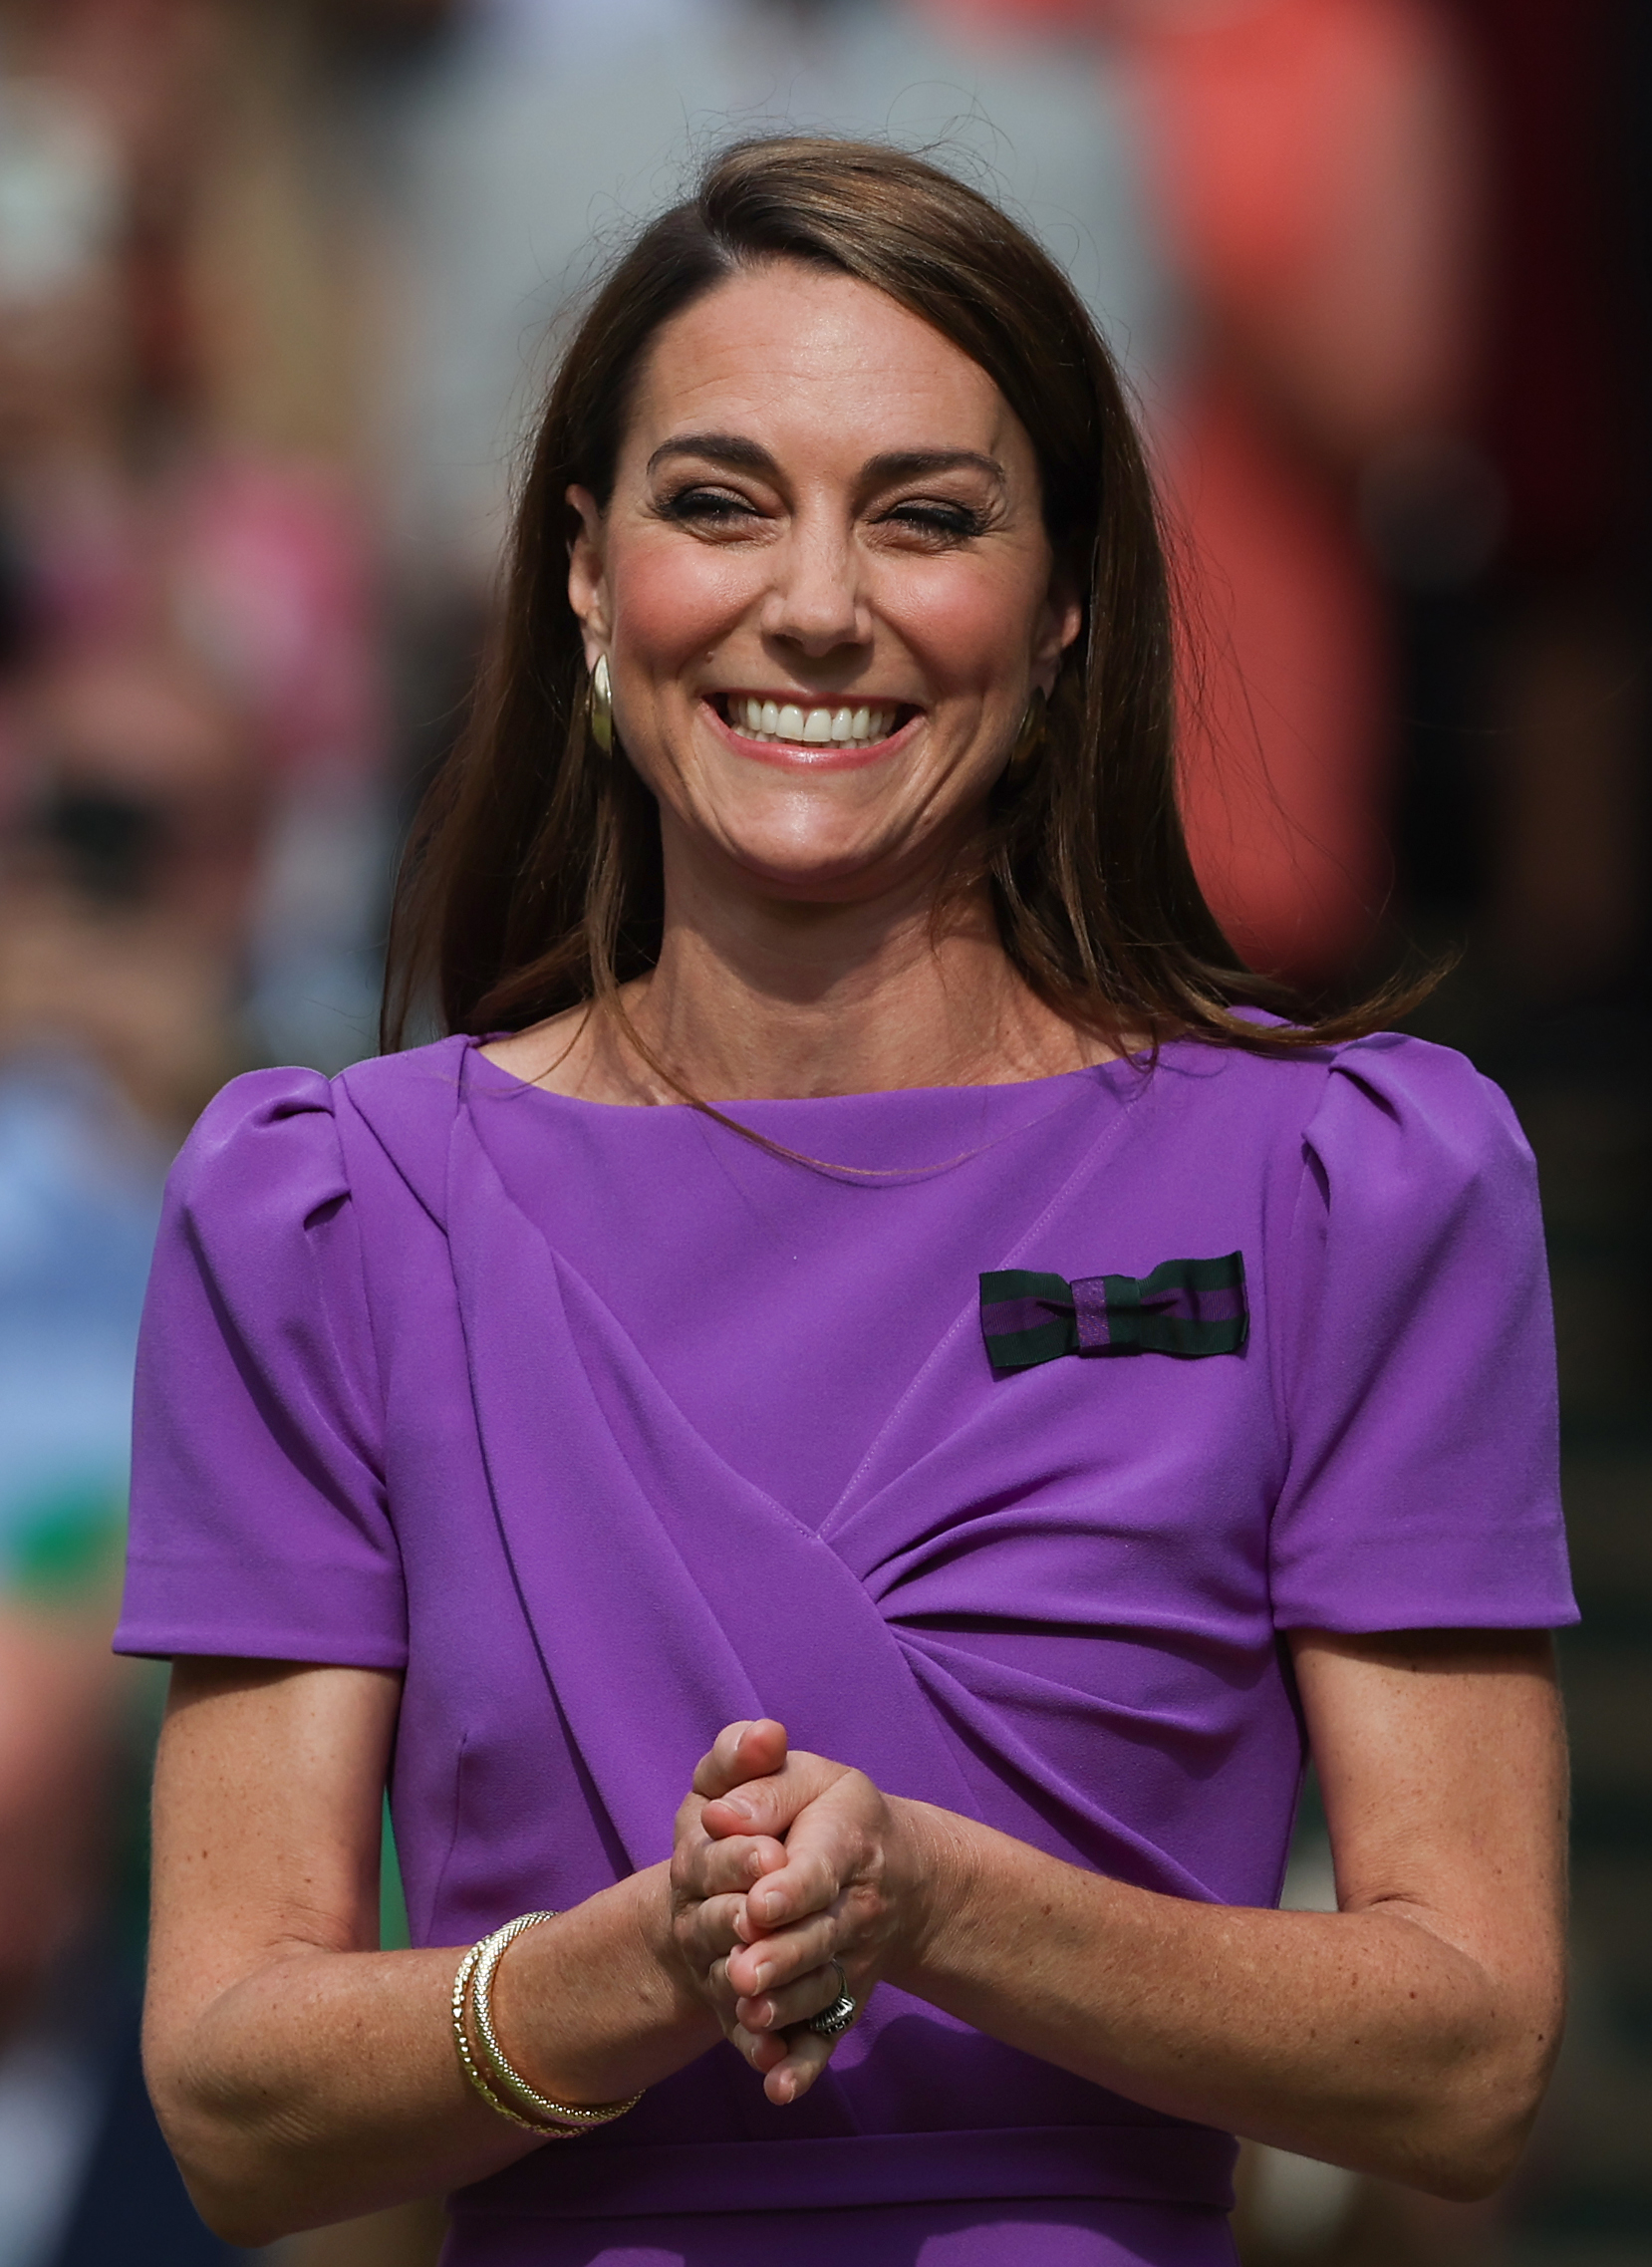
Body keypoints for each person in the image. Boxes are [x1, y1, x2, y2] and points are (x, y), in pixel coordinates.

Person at [117, 140, 1573, 2267]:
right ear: (587, 573)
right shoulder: (327, 1216)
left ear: (1065, 598)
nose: (816, 600)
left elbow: (1467, 2053)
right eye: (719, 502)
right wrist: (621, 1973)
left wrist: (940, 1904)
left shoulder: (1348, 1183)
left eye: (925, 515)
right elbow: (236, 2103)